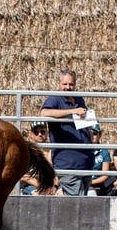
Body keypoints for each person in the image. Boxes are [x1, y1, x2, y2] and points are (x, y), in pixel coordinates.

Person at [39, 68, 94, 196]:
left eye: (71, 84)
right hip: (67, 163)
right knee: (76, 204)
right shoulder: (55, 99)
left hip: (85, 161)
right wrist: (71, 111)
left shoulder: (79, 99)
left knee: (81, 202)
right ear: (59, 84)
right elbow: (44, 113)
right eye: (65, 84)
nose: (68, 87)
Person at [20, 121, 60, 195]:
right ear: (31, 134)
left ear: (47, 133)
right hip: (31, 186)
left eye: (42, 132)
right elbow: (24, 177)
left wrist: (54, 186)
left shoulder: (53, 150)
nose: (40, 134)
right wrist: (44, 187)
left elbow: (56, 174)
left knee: (61, 194)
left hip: (52, 185)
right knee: (38, 194)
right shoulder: (26, 151)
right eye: (36, 132)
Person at [89, 124, 114, 196]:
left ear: (99, 135)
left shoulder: (104, 151)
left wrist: (91, 182)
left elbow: (105, 175)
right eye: (90, 133)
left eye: (95, 133)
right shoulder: (83, 150)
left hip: (97, 184)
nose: (92, 136)